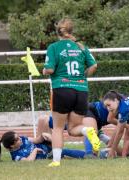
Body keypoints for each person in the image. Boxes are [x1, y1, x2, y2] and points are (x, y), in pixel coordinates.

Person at [43, 18, 99, 167]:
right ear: (71, 31)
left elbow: (50, 69)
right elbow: (94, 65)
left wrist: (43, 70)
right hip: (81, 90)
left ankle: (56, 161)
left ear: (58, 33)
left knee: (58, 128)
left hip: (62, 89)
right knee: (74, 129)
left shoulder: (54, 47)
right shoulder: (81, 47)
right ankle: (88, 130)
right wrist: (83, 76)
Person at [0, 131, 86, 162]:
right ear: (12, 146)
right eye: (17, 139)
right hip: (47, 155)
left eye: (19, 136)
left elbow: (36, 140)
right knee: (65, 153)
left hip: (47, 147)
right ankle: (88, 155)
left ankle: (88, 155)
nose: (20, 139)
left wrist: (42, 136)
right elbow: (28, 161)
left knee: (64, 151)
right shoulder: (16, 156)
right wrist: (35, 150)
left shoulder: (23, 139)